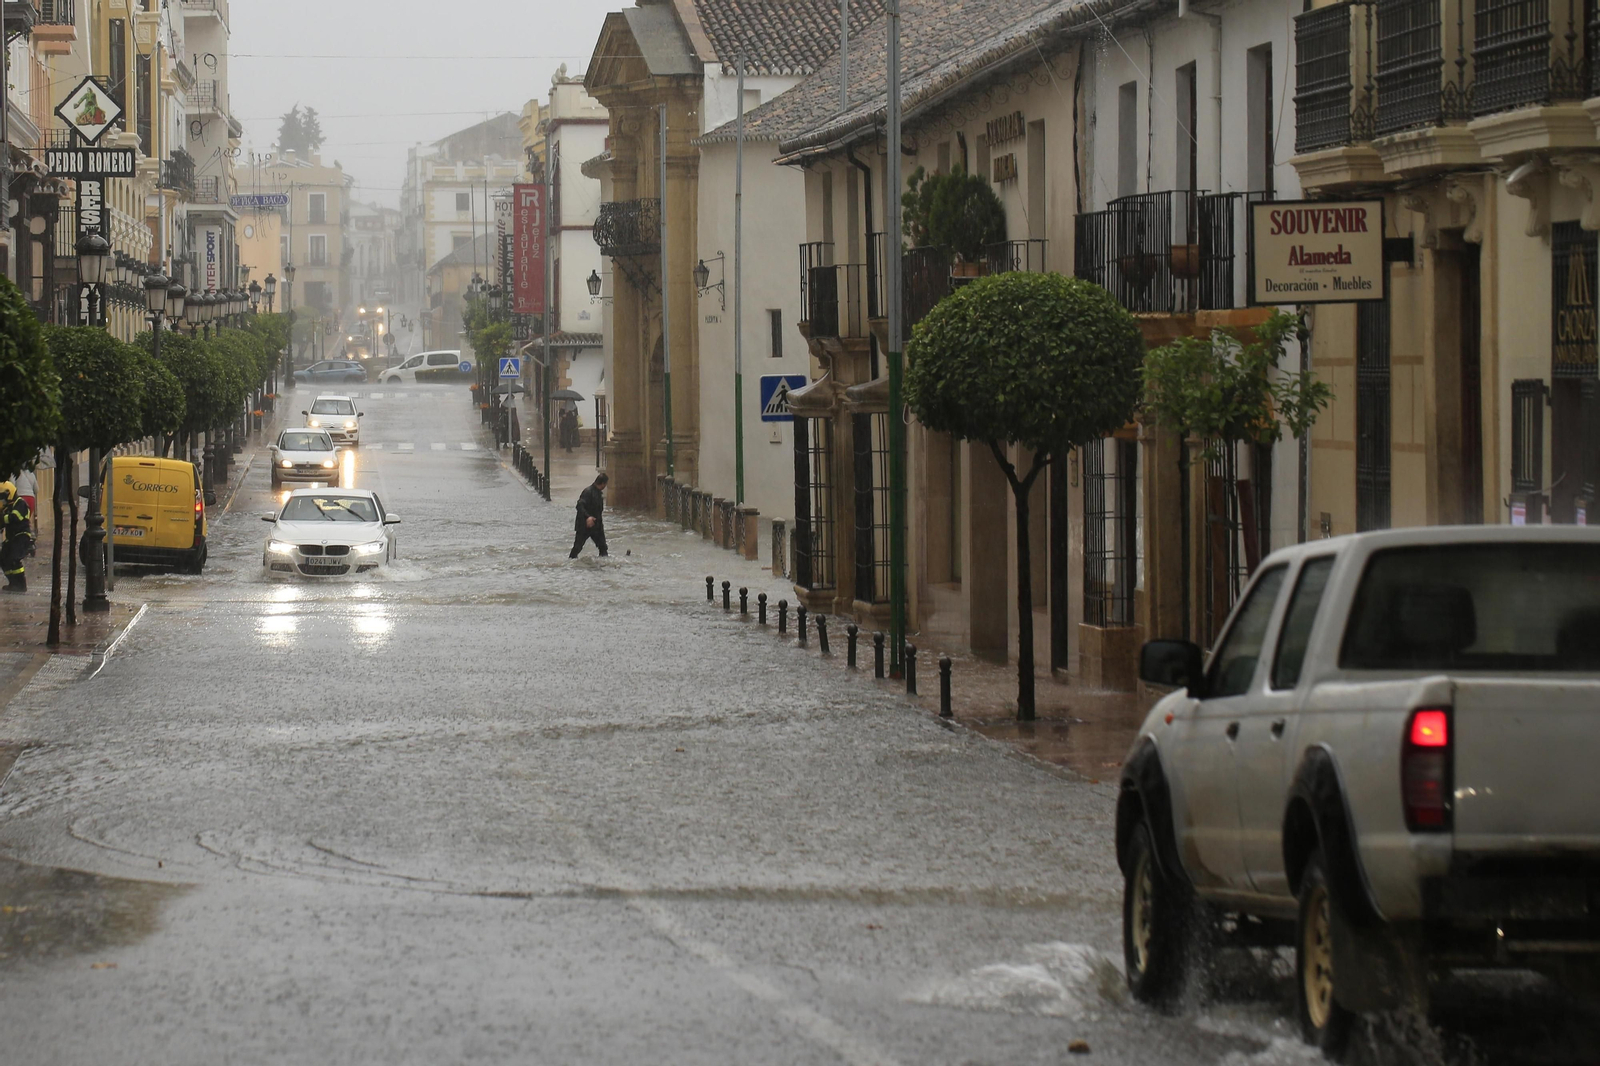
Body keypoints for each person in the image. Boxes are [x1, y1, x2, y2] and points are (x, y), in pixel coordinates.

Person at [1, 482, 33, 593]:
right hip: (12, 537)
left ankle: (21, 584)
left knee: (14, 559)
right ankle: (13, 582)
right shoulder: (8, 507)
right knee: (3, 558)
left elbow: (15, 517)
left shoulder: (21, 503)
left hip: (21, 536)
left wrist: (3, 518)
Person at [570, 473, 608, 559]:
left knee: (603, 547)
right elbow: (579, 505)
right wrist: (588, 517)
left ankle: (604, 566)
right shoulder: (588, 492)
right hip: (584, 526)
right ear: (603, 483)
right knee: (577, 548)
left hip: (596, 526)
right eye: (605, 484)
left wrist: (600, 525)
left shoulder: (599, 494)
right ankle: (570, 565)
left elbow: (599, 511)